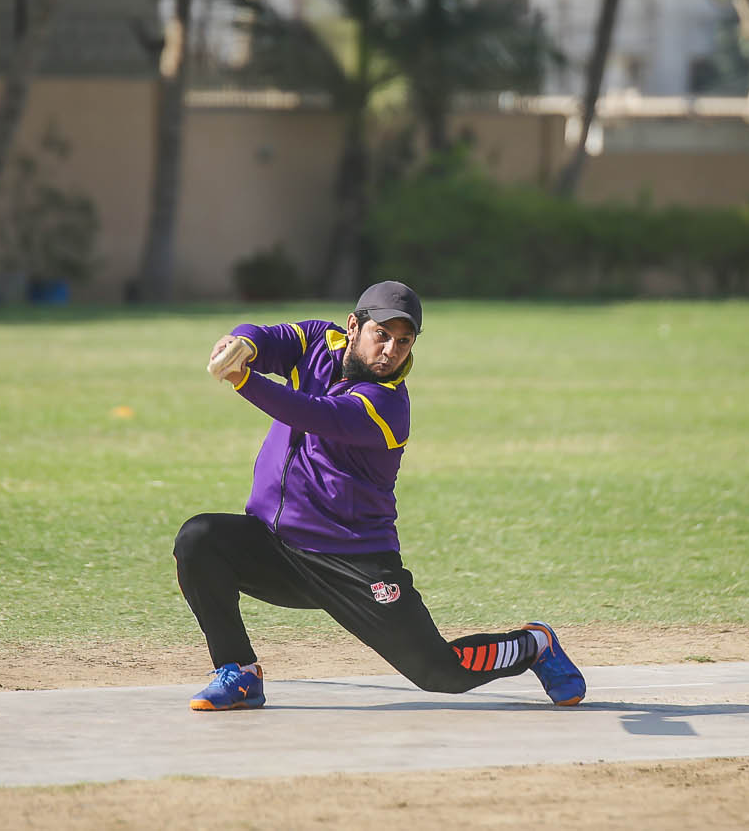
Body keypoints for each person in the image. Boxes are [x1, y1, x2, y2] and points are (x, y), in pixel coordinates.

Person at [173, 280, 586, 711]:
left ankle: (535, 645)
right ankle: (239, 672)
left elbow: (311, 413)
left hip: (352, 562)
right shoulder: (318, 341)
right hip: (276, 550)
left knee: (440, 672)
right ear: (353, 327)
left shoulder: (388, 406)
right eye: (382, 335)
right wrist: (241, 343)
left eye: (404, 341)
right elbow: (268, 338)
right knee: (200, 539)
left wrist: (243, 379)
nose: (390, 351)